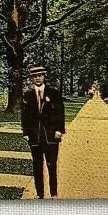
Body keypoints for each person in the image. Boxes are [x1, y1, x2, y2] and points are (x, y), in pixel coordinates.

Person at [21, 64, 66, 198]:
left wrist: (59, 130)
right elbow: (24, 116)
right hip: (35, 136)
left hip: (51, 135)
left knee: (51, 165)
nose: (38, 78)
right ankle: (40, 194)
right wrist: (26, 133)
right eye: (35, 76)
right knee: (37, 166)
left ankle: (53, 194)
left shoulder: (53, 93)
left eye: (40, 76)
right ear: (31, 79)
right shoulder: (28, 95)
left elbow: (60, 112)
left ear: (44, 77)